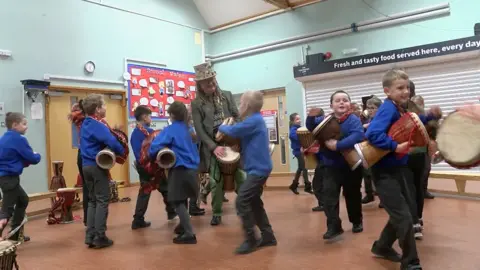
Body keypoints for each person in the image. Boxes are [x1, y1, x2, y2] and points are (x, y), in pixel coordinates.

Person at [366, 69, 441, 270]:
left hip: (398, 169)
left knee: (405, 212)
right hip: (384, 172)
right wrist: (394, 146)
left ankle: (382, 246)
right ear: (387, 91)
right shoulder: (388, 109)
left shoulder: (400, 108)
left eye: (407, 87)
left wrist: (429, 116)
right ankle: (411, 262)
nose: (405, 91)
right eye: (400, 88)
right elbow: (373, 134)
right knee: (405, 217)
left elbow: (412, 123)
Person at [218, 91, 276, 254]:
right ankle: (268, 235)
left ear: (248, 106)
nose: (239, 106)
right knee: (254, 201)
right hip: (256, 168)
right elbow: (243, 138)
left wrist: (221, 126)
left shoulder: (254, 120)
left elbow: (234, 131)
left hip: (259, 169)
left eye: (241, 103)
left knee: (241, 201)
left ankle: (251, 239)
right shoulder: (253, 121)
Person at [191, 62, 245, 226]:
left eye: (213, 80)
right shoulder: (196, 104)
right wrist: (214, 147)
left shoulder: (227, 95)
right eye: (207, 83)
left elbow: (238, 117)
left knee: (241, 178)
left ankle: (246, 209)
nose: (212, 84)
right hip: (213, 146)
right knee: (215, 182)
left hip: (231, 142)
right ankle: (217, 213)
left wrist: (236, 137)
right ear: (199, 85)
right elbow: (199, 130)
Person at [306, 90, 365, 240]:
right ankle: (334, 226)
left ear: (349, 104)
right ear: (331, 105)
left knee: (352, 195)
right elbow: (311, 127)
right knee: (329, 197)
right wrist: (311, 116)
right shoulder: (325, 120)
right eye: (337, 100)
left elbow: (358, 135)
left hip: (351, 166)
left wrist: (338, 145)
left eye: (345, 100)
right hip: (330, 166)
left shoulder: (353, 120)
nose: (341, 102)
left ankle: (356, 221)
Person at [149, 101, 200, 244]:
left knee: (177, 201)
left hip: (179, 169)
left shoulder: (170, 130)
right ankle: (183, 226)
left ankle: (189, 234)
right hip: (193, 169)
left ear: (171, 115)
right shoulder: (190, 129)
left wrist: (152, 155)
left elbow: (154, 147)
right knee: (183, 198)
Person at [81, 94, 125, 249]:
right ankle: (100, 236)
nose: (106, 108)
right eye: (104, 105)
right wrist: (122, 150)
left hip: (86, 166)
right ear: (97, 109)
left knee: (93, 200)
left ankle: (90, 235)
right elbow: (111, 141)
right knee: (102, 201)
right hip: (97, 166)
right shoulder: (97, 124)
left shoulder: (86, 123)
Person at [130, 105, 177, 230]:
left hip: (143, 167)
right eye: (150, 116)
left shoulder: (135, 133)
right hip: (152, 166)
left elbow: (137, 152)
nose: (151, 118)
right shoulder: (149, 133)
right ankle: (170, 212)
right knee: (161, 189)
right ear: (144, 117)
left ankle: (139, 219)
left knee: (151, 190)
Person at [0, 112, 41, 242]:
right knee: (6, 211)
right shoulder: (19, 139)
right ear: (15, 125)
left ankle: (15, 234)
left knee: (23, 200)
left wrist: (21, 162)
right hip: (9, 178)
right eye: (24, 124)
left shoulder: (4, 138)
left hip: (6, 178)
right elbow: (32, 158)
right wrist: (37, 154)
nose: (26, 127)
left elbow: (12, 158)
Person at [68, 99, 90, 226]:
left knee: (87, 188)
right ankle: (91, 219)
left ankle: (88, 219)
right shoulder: (87, 121)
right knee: (91, 189)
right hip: (87, 155)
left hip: (81, 153)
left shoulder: (81, 119)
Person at [361, 96, 382, 205]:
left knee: (378, 176)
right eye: (368, 107)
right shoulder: (369, 119)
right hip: (369, 149)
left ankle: (383, 199)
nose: (370, 110)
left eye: (373, 108)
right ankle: (369, 195)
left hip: (380, 150)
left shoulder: (382, 119)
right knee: (367, 174)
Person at [288, 113, 313, 195]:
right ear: (293, 121)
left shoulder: (299, 128)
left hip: (301, 151)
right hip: (298, 152)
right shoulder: (293, 129)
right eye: (297, 119)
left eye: (300, 118)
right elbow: (295, 137)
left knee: (300, 168)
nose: (300, 120)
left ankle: (294, 185)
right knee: (304, 167)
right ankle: (307, 187)